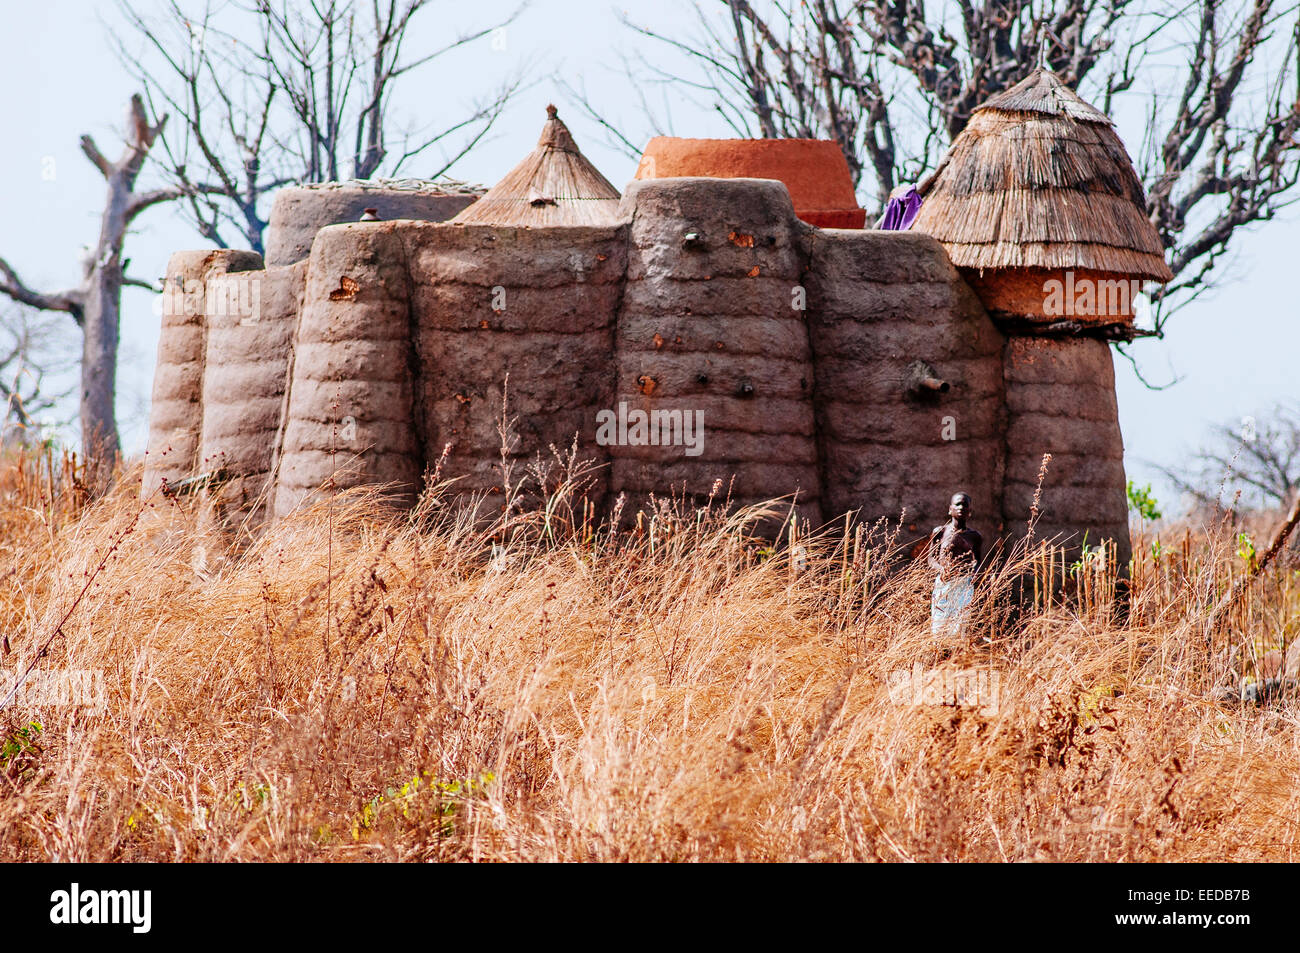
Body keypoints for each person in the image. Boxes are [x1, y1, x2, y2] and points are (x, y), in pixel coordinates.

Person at [927, 492, 983, 638]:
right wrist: (942, 569)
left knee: (960, 627)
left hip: (964, 585)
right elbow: (931, 559)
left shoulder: (975, 536)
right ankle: (938, 651)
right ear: (950, 509)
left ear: (970, 511)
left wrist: (974, 575)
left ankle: (957, 652)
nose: (961, 507)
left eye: (965, 505)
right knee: (939, 626)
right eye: (957, 504)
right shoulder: (940, 532)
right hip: (944, 583)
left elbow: (978, 561)